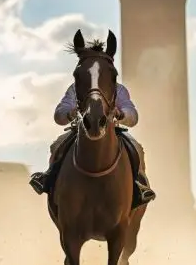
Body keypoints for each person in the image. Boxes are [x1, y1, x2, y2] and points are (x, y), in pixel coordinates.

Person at [28, 82, 156, 207]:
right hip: (80, 132)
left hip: (113, 132)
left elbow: (133, 116)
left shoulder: (119, 89)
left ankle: (139, 185)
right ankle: (48, 177)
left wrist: (121, 114)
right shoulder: (76, 88)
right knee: (57, 144)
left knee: (137, 147)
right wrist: (70, 113)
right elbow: (59, 114)